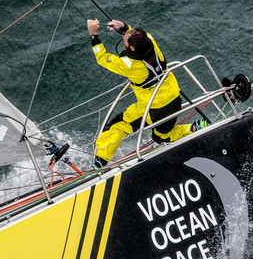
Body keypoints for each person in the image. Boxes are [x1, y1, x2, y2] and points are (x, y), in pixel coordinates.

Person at [87, 19, 205, 168]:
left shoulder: (128, 64)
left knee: (119, 125)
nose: (124, 39)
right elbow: (138, 39)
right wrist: (124, 27)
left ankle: (101, 161)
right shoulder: (150, 39)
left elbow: (103, 58)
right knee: (161, 134)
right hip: (174, 96)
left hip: (154, 106)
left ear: (132, 49)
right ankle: (195, 127)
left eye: (125, 39)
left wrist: (94, 35)